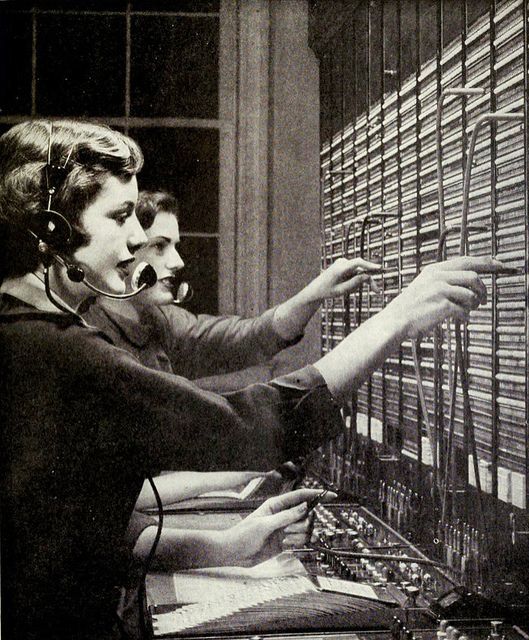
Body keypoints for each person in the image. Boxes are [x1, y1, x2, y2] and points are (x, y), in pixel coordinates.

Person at [0, 119, 503, 640]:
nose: (136, 239)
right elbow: (242, 425)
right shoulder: (54, 350)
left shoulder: (30, 329)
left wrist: (228, 546)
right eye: (121, 215)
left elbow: (93, 531)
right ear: (52, 229)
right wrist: (396, 318)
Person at [85, 189, 382, 390]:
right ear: (128, 248)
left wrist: (315, 293)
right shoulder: (92, 336)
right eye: (159, 247)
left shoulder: (159, 319)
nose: (177, 262)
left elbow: (246, 337)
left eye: (175, 246)